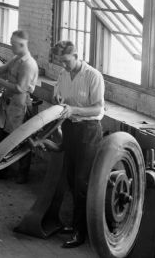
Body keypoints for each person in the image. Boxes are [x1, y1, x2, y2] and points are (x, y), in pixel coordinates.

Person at [51, 40, 104, 249]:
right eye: (60, 62)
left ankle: (81, 232)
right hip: (71, 129)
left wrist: (74, 110)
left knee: (82, 183)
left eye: (66, 61)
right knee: (72, 179)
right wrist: (57, 100)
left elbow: (97, 108)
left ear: (76, 56)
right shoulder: (64, 74)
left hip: (89, 131)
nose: (63, 65)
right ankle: (75, 224)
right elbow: (59, 96)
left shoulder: (93, 76)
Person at [0, 30, 39, 183]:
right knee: (4, 137)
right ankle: (2, 169)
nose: (11, 47)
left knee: (22, 139)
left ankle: (22, 173)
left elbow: (20, 88)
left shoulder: (28, 64)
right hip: (10, 104)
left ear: (22, 44)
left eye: (13, 44)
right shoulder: (17, 58)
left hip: (21, 105)